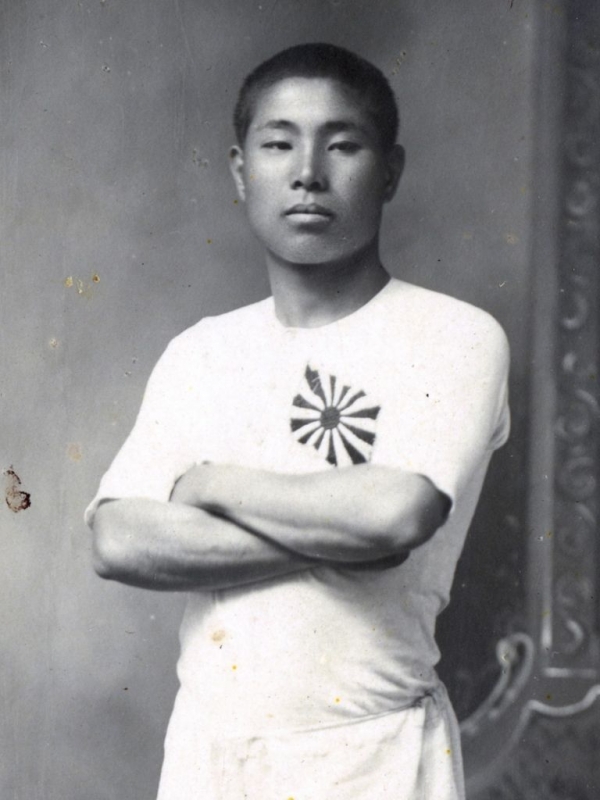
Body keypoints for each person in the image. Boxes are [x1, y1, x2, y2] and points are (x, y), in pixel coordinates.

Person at [85, 42, 510, 800]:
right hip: (210, 758)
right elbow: (118, 540)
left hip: (373, 755)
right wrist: (344, 537)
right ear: (240, 171)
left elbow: (395, 516)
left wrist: (211, 484)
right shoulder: (202, 351)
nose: (308, 172)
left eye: (342, 145)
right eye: (279, 144)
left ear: (390, 171)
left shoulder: (455, 335)